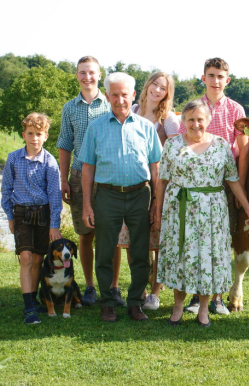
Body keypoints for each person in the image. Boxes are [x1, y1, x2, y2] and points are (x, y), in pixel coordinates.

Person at [155, 100, 249, 327]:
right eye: (190, 119)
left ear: (208, 121)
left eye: (200, 119)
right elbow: (161, 181)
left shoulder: (221, 145)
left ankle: (203, 309)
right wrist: (158, 210)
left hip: (212, 213)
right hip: (179, 211)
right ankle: (178, 306)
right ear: (183, 121)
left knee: (207, 258)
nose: (196, 124)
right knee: (181, 256)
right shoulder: (172, 145)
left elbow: (232, 180)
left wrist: (248, 208)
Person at [79, 72, 162, 322]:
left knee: (140, 253)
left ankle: (135, 303)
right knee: (104, 251)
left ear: (133, 95)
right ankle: (108, 303)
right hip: (107, 195)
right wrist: (86, 205)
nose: (120, 99)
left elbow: (156, 166)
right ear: (107, 96)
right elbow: (88, 168)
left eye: (124, 94)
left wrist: (157, 202)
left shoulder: (147, 128)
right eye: (114, 94)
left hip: (141, 194)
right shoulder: (96, 128)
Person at [179, 58, 249, 316]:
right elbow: (183, 142)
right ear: (203, 78)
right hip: (196, 182)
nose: (216, 80)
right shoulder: (194, 108)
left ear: (227, 80)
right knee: (196, 239)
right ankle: (197, 296)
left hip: (226, 181)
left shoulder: (236, 110)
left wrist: (239, 185)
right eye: (211, 75)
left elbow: (243, 150)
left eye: (220, 76)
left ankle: (218, 296)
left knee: (221, 240)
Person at [56, 56, 122, 307]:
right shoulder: (69, 108)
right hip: (77, 175)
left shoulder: (111, 104)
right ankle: (91, 286)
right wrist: (63, 179)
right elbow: (64, 144)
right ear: (76, 75)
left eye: (92, 72)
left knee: (112, 235)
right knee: (85, 234)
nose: (87, 77)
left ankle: (114, 287)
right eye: (82, 73)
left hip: (107, 178)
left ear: (99, 75)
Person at [113, 71, 180, 311]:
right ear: (147, 85)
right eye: (154, 84)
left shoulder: (169, 119)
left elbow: (175, 155)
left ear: (167, 93)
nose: (157, 90)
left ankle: (154, 292)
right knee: (133, 239)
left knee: (158, 239)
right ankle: (138, 287)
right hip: (133, 183)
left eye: (163, 88)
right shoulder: (131, 110)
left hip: (160, 184)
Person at [1, 113, 63, 324]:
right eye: (30, 134)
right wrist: (10, 216)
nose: (34, 138)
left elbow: (55, 196)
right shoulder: (13, 159)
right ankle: (29, 308)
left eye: (39, 134)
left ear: (45, 136)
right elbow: (6, 189)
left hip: (43, 215)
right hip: (21, 213)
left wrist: (55, 224)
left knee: (38, 258)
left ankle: (34, 298)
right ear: (23, 135)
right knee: (26, 258)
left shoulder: (50, 162)